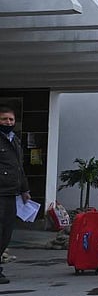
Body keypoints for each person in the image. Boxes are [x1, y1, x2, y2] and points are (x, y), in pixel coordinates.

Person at [0, 106, 30, 284]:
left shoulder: (15, 140)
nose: (8, 123)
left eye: (10, 119)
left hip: (11, 193)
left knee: (6, 233)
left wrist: (24, 190)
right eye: (4, 119)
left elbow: (19, 168)